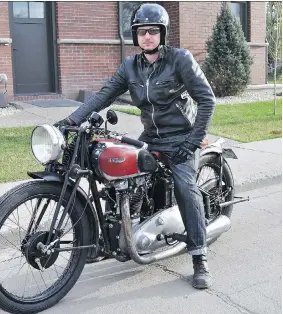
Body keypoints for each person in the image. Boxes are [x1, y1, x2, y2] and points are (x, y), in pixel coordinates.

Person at [55, 3, 215, 289]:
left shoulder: (180, 60)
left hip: (181, 136)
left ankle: (199, 256)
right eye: (142, 32)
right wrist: (71, 120)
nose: (148, 36)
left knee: (186, 189)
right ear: (135, 36)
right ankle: (131, 226)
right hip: (151, 135)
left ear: (163, 34)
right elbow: (104, 94)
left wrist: (192, 142)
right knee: (117, 171)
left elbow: (207, 100)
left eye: (153, 31)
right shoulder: (130, 66)